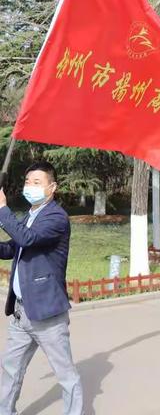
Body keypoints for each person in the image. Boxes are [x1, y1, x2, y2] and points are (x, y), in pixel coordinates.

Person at [0, 162, 84, 414]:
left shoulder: (57, 217)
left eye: (37, 182)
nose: (30, 186)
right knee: (10, 368)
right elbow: (13, 248)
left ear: (52, 187)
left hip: (47, 313)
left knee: (66, 374)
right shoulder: (29, 215)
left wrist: (3, 210)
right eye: (27, 182)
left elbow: (27, 238)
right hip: (21, 312)